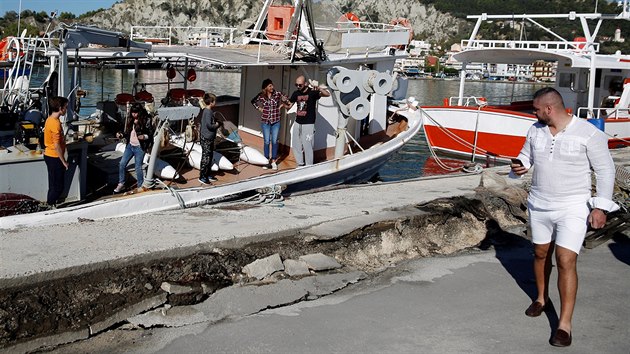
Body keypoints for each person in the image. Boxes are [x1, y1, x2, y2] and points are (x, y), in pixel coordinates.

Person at [510, 87, 618, 347]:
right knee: (540, 253)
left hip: (573, 206)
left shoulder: (589, 133)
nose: (533, 113)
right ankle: (541, 298)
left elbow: (605, 171)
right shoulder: (535, 130)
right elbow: (526, 155)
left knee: (566, 259)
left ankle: (564, 325)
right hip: (539, 204)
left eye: (536, 109)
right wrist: (520, 166)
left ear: (549, 108)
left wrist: (600, 208)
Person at [285, 75, 330, 166]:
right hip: (298, 122)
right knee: (296, 144)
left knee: (308, 145)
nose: (298, 87)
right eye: (296, 84)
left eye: (300, 85)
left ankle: (309, 165)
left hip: (308, 123)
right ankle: (300, 164)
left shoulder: (312, 92)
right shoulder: (296, 93)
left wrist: (319, 88)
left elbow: (327, 94)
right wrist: (284, 101)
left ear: (305, 84)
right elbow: (289, 105)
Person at [114, 104, 154, 193]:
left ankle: (140, 185)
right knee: (122, 164)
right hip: (130, 146)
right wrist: (121, 134)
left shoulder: (146, 120)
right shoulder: (130, 119)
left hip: (140, 147)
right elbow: (127, 132)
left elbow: (151, 134)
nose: (134, 114)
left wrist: (144, 136)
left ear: (139, 112)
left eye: (135, 113)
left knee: (137, 167)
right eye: (132, 112)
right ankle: (121, 183)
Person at [251, 78, 288, 170]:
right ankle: (266, 160)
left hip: (276, 121)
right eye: (270, 86)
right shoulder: (261, 96)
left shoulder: (277, 94)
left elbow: (285, 98)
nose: (272, 87)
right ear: (265, 87)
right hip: (265, 121)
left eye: (272, 85)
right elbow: (253, 101)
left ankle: (274, 160)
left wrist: (282, 104)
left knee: (274, 141)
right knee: (267, 141)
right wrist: (259, 109)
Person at [43, 96, 69, 207]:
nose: (66, 109)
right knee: (58, 186)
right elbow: (56, 145)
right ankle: (50, 204)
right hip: (54, 157)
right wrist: (63, 161)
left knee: (53, 184)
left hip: (49, 155)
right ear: (60, 108)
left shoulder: (50, 119)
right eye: (65, 107)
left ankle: (51, 203)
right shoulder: (55, 124)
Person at [198, 93, 222, 185]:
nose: (216, 102)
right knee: (206, 157)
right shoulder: (207, 112)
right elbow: (209, 125)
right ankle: (202, 176)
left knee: (210, 156)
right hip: (206, 138)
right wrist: (217, 125)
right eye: (215, 101)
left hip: (210, 137)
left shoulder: (208, 111)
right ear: (211, 102)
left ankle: (208, 174)